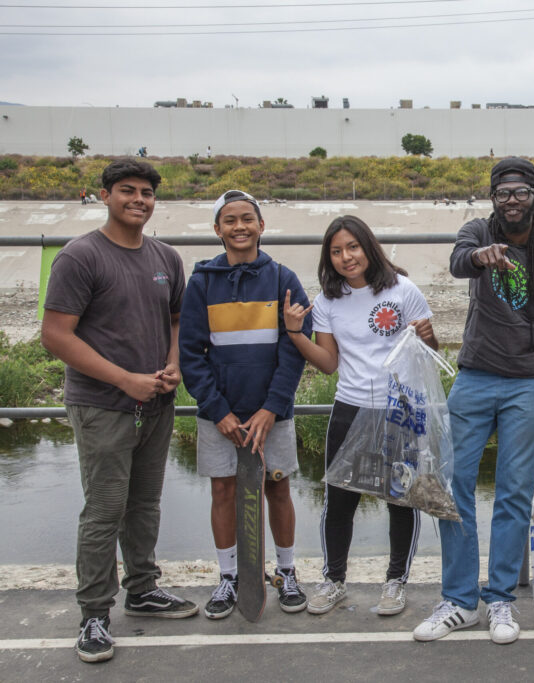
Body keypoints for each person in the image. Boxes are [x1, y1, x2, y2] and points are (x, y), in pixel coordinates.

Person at [413, 158, 534, 645]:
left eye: (521, 192)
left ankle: (501, 599)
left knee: (511, 492)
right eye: (503, 192)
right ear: (492, 198)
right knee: (451, 486)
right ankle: (460, 601)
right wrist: (482, 257)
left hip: (529, 383)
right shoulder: (477, 232)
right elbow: (459, 260)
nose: (512, 200)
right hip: (476, 376)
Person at [41, 159, 196, 664]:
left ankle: (143, 588)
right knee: (105, 509)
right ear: (103, 195)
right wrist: (124, 378)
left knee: (144, 505)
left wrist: (172, 364)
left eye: (147, 192)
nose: (139, 199)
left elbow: (175, 320)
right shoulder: (80, 257)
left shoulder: (166, 257)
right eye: (127, 190)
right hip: (103, 405)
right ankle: (93, 613)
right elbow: (55, 336)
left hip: (157, 403)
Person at [282, 215, 436, 618]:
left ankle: (395, 581)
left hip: (398, 409)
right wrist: (296, 333)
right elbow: (329, 364)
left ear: (368, 247)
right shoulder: (328, 301)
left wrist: (428, 337)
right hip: (348, 408)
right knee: (339, 501)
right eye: (336, 251)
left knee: (401, 500)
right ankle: (334, 580)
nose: (346, 257)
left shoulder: (404, 291)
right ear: (328, 257)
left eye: (353, 247)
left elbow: (430, 354)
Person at [178, 190, 311, 620]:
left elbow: (294, 351)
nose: (240, 227)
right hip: (222, 416)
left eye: (247, 219)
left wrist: (272, 408)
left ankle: (287, 572)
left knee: (278, 487)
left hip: (272, 414)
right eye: (230, 220)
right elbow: (191, 354)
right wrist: (218, 410)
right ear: (217, 229)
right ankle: (230, 576)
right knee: (223, 489)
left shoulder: (283, 278)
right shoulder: (201, 283)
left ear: (262, 225)